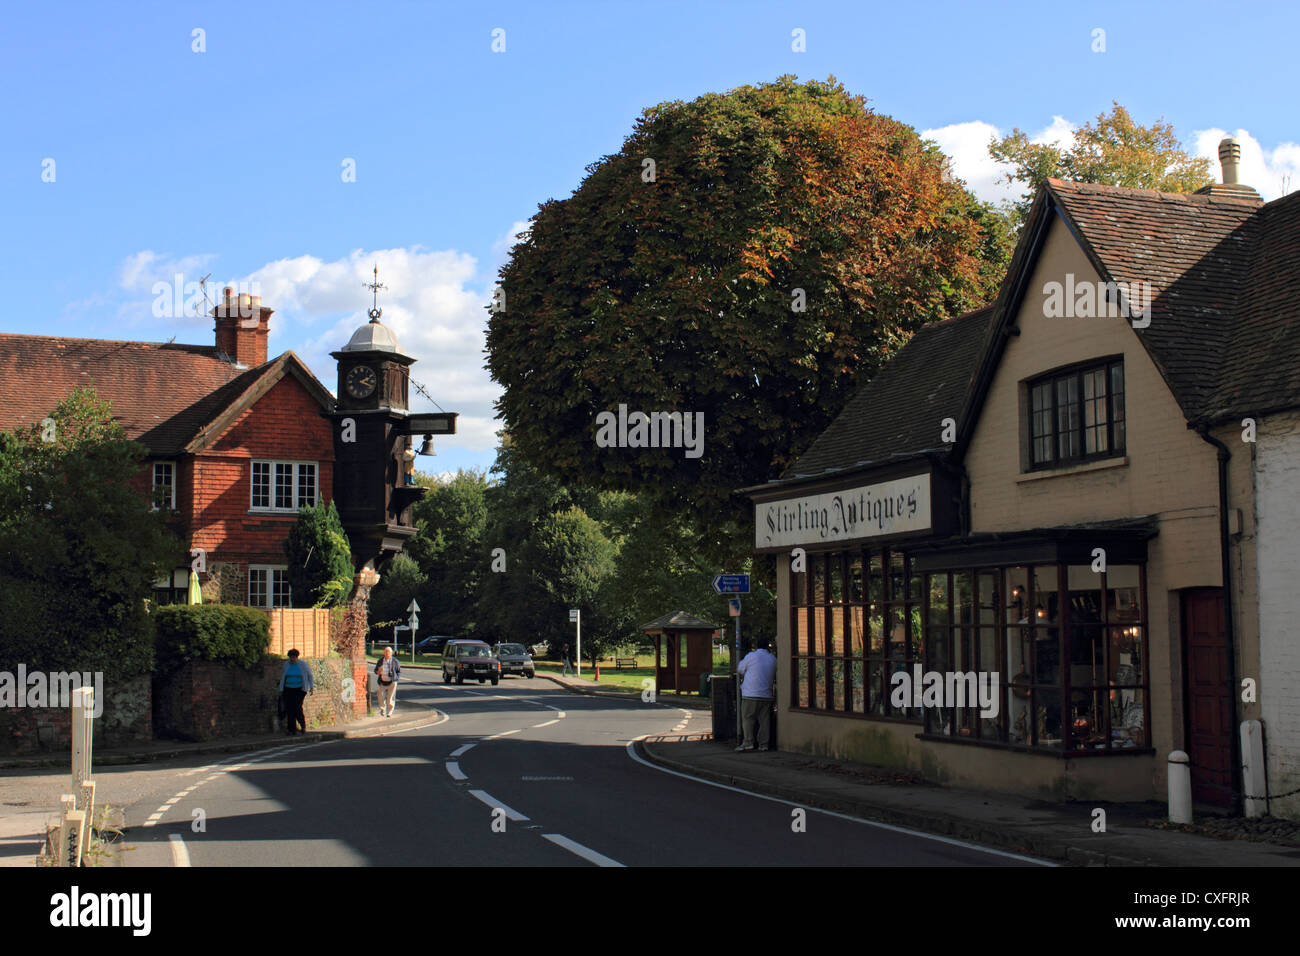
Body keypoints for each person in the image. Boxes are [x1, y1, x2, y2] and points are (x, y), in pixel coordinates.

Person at [736, 638, 777, 752]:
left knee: (748, 718)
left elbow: (740, 669)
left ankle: (748, 742)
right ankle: (763, 744)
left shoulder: (751, 656)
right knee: (765, 720)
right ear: (768, 646)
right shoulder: (773, 659)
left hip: (750, 693)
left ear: (756, 645)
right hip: (767, 695)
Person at [279, 649, 314, 735]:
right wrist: (281, 689)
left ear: (297, 657)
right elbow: (283, 677)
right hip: (288, 688)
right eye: (291, 657)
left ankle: (303, 726)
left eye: (294, 657)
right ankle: (291, 729)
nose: (292, 659)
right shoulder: (286, 664)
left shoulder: (303, 665)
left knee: (297, 707)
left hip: (300, 689)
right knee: (289, 709)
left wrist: (311, 687)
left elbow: (310, 675)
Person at [376, 646, 401, 717]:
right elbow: (376, 671)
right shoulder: (380, 661)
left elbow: (398, 671)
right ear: (384, 653)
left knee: (390, 698)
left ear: (391, 653)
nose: (387, 653)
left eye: (388, 652)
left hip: (392, 682)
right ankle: (382, 709)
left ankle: (389, 712)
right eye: (386, 652)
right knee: (380, 695)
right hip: (382, 681)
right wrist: (379, 671)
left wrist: (396, 678)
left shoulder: (395, 661)